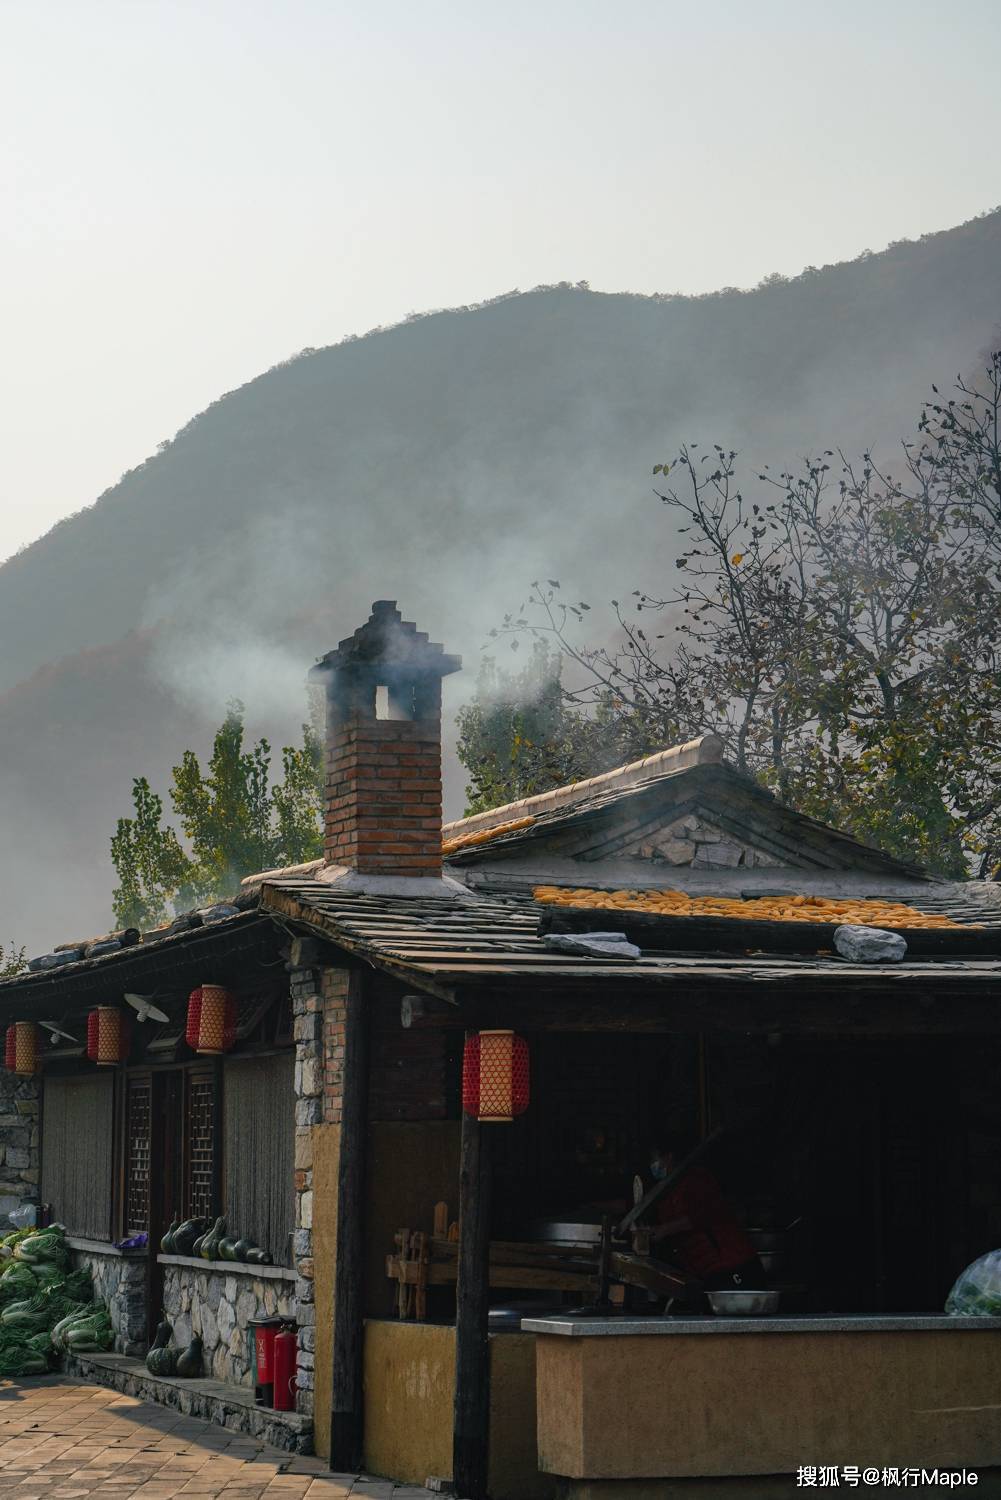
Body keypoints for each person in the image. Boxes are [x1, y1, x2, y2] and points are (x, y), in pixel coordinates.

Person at [647, 1133, 764, 1291]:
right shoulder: (665, 1192)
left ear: (668, 1157)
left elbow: (703, 1214)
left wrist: (665, 1229)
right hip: (705, 1272)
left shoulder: (696, 1179)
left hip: (732, 1264)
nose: (653, 1165)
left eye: (655, 1159)